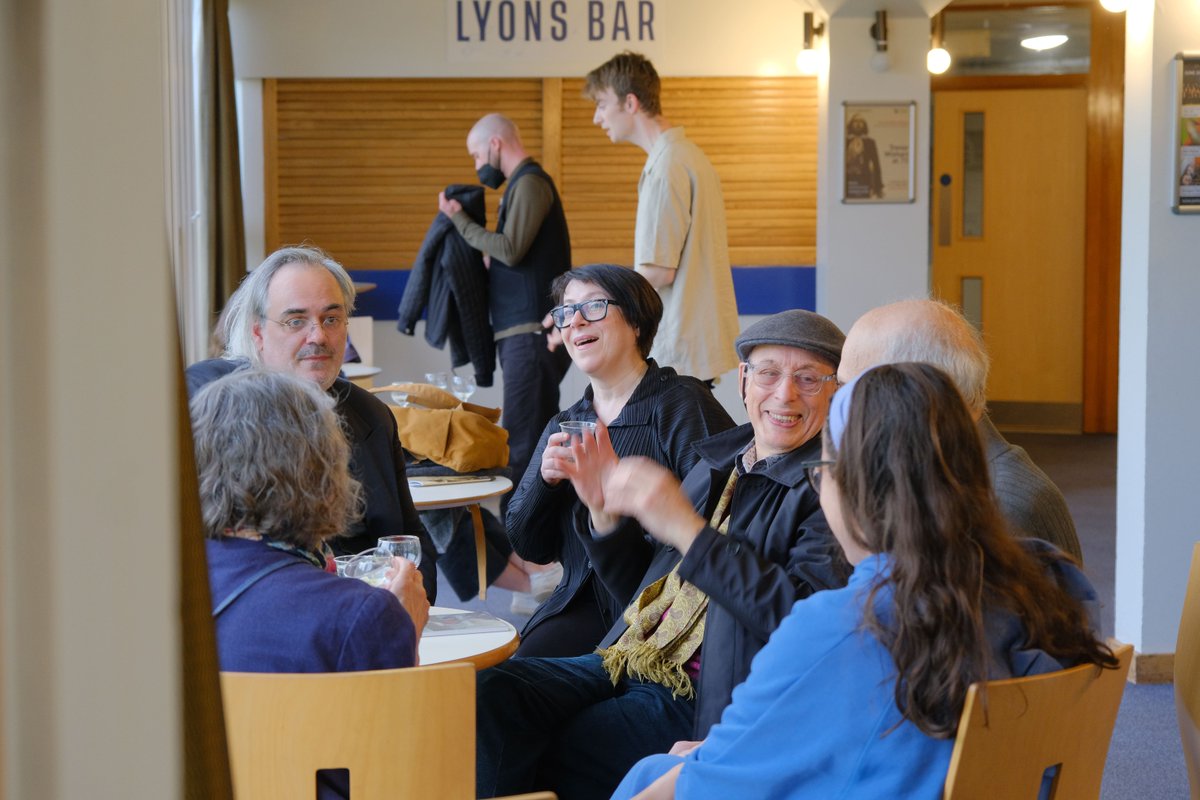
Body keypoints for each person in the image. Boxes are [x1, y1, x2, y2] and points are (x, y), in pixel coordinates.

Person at [612, 363, 1116, 799]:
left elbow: (696, 790)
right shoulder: (1052, 581)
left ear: (854, 486)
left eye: (822, 470)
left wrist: (710, 761)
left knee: (650, 774)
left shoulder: (846, 627)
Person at [477, 309, 849, 800]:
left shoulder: (836, 491)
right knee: (490, 692)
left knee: (570, 744)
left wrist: (687, 529)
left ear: (837, 393)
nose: (784, 394)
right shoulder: (720, 460)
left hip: (704, 695)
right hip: (631, 656)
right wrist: (604, 513)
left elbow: (799, 621)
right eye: (768, 373)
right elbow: (643, 591)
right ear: (743, 381)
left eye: (808, 379)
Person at [195, 370, 428, 800]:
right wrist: (404, 630)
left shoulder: (157, 591)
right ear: (321, 472)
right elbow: (391, 779)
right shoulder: (360, 616)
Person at [504, 263, 735, 657]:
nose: (574, 321)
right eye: (565, 311)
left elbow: (720, 523)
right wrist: (545, 481)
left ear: (637, 323)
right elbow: (529, 546)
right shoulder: (565, 424)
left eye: (593, 306)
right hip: (582, 602)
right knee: (508, 680)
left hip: (667, 610)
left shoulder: (682, 403)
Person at [186, 245, 439, 600]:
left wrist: (400, 603)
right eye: (296, 321)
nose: (318, 336)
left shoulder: (371, 416)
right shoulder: (216, 406)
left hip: (372, 616)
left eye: (331, 319)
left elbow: (412, 543)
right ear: (258, 334)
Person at [837, 298, 1083, 563]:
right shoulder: (938, 468)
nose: (839, 407)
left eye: (851, 392)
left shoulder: (995, 507)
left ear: (916, 392)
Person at [438, 113, 573, 503]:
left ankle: (526, 552)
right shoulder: (520, 186)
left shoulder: (530, 183)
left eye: (477, 154)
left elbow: (511, 250)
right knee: (532, 442)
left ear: (495, 144)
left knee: (524, 446)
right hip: (524, 338)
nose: (477, 165)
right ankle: (537, 548)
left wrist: (459, 220)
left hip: (530, 338)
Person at [583, 51, 739, 385]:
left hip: (679, 346)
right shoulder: (689, 156)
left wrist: (596, 309)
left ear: (630, 102)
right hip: (693, 342)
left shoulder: (667, 166)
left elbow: (657, 270)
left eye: (601, 104)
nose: (597, 118)